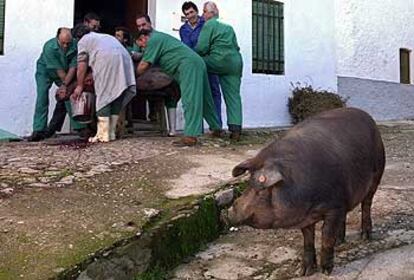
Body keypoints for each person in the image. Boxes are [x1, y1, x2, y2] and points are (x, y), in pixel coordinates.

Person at [136, 29, 221, 146]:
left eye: (141, 45)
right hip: (195, 62)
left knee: (189, 99)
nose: (143, 48)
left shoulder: (153, 40)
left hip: (187, 65)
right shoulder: (161, 38)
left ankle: (191, 136)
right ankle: (216, 128)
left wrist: (132, 75)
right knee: (205, 99)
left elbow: (143, 65)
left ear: (144, 38)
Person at [71, 24, 136, 143]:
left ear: (77, 37)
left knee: (104, 95)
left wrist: (79, 86)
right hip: (124, 58)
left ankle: (102, 134)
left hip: (107, 60)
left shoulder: (83, 41)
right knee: (118, 93)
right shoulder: (105, 37)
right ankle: (111, 133)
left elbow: (81, 65)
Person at [195, 1, 243, 141]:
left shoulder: (209, 24)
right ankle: (235, 130)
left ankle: (210, 126)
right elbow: (236, 46)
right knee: (233, 96)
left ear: (211, 13)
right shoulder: (228, 26)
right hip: (235, 62)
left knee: (194, 64)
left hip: (218, 60)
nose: (202, 14)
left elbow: (201, 48)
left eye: (204, 11)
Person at [28, 27, 86, 142]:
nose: (65, 46)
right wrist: (65, 86)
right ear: (57, 38)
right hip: (46, 71)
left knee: (70, 95)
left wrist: (66, 86)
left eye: (67, 43)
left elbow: (73, 68)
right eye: (63, 43)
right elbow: (58, 70)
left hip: (65, 72)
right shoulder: (49, 47)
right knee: (42, 97)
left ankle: (80, 127)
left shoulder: (75, 46)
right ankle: (38, 129)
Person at [180, 1, 223, 128]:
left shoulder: (206, 23)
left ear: (197, 11)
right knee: (196, 94)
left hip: (209, 62)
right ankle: (197, 128)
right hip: (194, 64)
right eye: (187, 14)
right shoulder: (183, 29)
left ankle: (217, 126)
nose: (190, 15)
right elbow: (186, 47)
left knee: (214, 92)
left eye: (192, 12)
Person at [134, 15, 177, 136]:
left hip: (163, 73)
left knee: (172, 89)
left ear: (150, 23)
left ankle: (172, 129)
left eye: (143, 24)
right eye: (138, 26)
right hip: (146, 76)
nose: (141, 28)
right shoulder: (139, 39)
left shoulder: (157, 37)